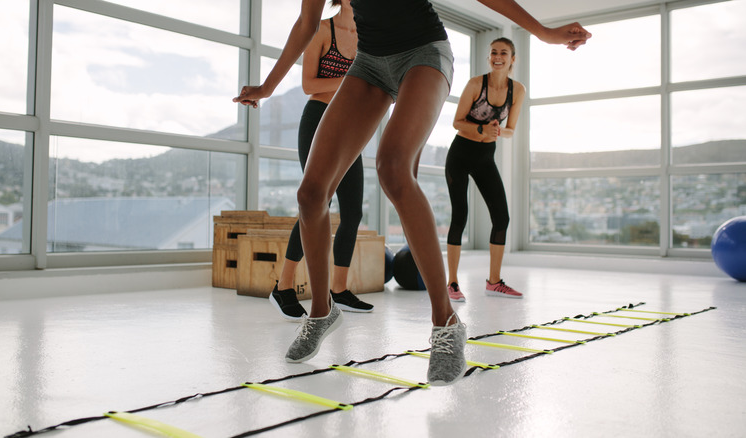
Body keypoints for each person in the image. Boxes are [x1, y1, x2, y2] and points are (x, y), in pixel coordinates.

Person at [235, 0, 590, 386]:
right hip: (369, 63)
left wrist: (543, 32)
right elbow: (306, 23)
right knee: (310, 194)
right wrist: (268, 87)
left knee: (392, 167)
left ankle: (446, 322)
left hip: (424, 53)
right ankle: (322, 312)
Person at [269, 0, 374, 322]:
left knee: (353, 210)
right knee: (317, 204)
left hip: (352, 125)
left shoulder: (372, 36)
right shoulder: (322, 30)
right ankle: (283, 286)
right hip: (318, 119)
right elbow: (309, 84)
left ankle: (338, 289)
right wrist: (352, 82)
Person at [445, 37, 525, 302]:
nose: (497, 56)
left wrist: (498, 131)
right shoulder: (475, 84)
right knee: (460, 216)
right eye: (493, 52)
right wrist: (481, 128)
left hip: (485, 157)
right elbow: (457, 122)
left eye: (503, 53)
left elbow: (511, 129)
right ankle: (452, 283)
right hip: (460, 154)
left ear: (513, 59)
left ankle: (494, 282)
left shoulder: (518, 90)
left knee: (501, 217)